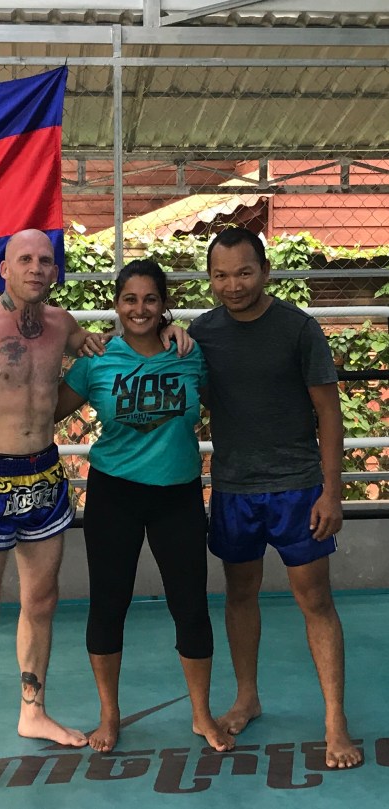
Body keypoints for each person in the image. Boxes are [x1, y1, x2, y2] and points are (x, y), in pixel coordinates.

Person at [0, 229, 188, 801]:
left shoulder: (64, 326)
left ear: (54, 271)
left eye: (45, 260)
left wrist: (171, 330)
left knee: (41, 603)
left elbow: (122, 343)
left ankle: (32, 711)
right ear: (5, 268)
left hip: (43, 475)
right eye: (25, 259)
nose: (36, 267)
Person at [189, 226, 362, 769]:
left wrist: (332, 491)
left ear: (264, 271)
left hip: (297, 488)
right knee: (240, 594)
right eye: (221, 275)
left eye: (244, 272)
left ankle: (335, 719)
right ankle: (247, 698)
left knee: (315, 601)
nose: (233, 285)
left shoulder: (298, 328)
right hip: (234, 489)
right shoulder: (201, 334)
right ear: (209, 279)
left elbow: (329, 414)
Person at [54, 258, 235, 755]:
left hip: (177, 494)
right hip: (115, 494)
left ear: (163, 304)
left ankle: (201, 714)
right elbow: (45, 410)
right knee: (109, 604)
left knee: (190, 606)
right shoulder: (97, 359)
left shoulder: (189, 354)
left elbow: (232, 401)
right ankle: (109, 715)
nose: (140, 309)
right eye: (130, 299)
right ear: (117, 304)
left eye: (150, 299)